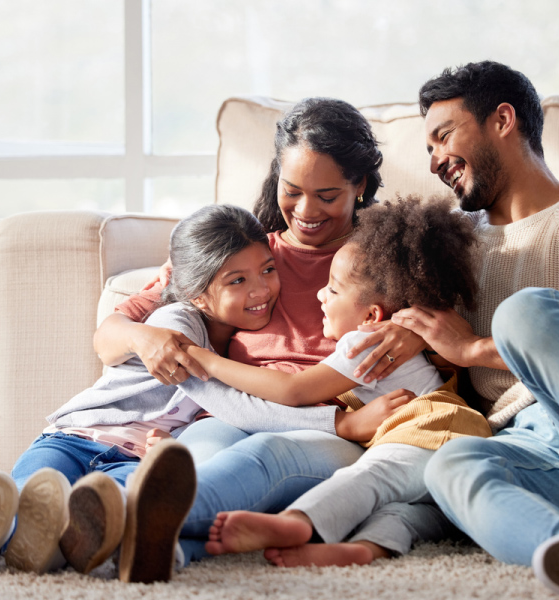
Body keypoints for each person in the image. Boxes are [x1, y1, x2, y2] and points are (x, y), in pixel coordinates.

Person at [93, 97, 452, 572]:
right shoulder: (243, 250)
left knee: (265, 457)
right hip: (235, 410)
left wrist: (417, 333)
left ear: (359, 185)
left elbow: (453, 336)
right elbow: (112, 332)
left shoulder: (382, 258)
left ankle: (113, 523)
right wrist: (145, 340)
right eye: (292, 190)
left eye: (327, 196)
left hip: (327, 426)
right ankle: (161, 551)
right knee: (198, 459)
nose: (306, 211)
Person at [0, 205, 378, 581]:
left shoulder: (243, 342)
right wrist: (338, 423)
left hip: (136, 460)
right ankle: (9, 532)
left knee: (98, 519)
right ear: (197, 295)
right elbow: (234, 406)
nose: (262, 289)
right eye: (237, 281)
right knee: (30, 495)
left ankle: (37, 549)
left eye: (268, 270)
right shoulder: (176, 327)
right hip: (72, 439)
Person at [368, 61, 559, 599]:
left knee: (525, 312)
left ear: (503, 119)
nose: (434, 161)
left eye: (443, 136)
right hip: (530, 446)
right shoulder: (447, 240)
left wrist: (472, 348)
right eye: (426, 149)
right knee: (451, 465)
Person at [182, 197, 491, 567]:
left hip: (435, 430)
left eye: (333, 289)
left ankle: (297, 523)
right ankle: (362, 550)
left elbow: (292, 390)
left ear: (372, 314)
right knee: (404, 509)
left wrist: (209, 361)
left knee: (371, 477)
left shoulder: (364, 342)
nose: (319, 295)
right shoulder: (388, 335)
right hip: (446, 440)